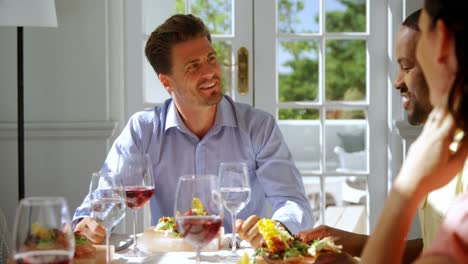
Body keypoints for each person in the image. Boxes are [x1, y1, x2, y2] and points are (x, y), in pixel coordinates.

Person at [72, 14, 314, 244]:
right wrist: (89, 224)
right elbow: (106, 198)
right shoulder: (143, 129)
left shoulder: (258, 127)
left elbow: (293, 202)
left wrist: (278, 228)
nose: (209, 72)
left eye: (211, 58)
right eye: (193, 66)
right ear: (166, 82)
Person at [294, 10, 430, 263]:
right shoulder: (443, 145)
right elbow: (433, 249)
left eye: (406, 67)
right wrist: (354, 242)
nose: (396, 81)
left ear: (443, 63)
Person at [361, 0, 468, 263]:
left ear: (441, 42)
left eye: (407, 66)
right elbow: (440, 247)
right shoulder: (448, 141)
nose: (397, 81)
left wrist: (406, 190)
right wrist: (354, 248)